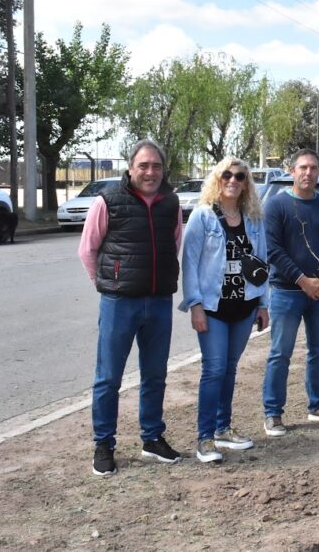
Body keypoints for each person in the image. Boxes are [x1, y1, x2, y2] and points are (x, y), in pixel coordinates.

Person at [78, 139, 183, 476]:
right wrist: (107, 282)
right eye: (144, 165)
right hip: (118, 302)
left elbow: (175, 243)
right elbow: (87, 249)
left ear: (163, 169)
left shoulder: (171, 202)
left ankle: (152, 438)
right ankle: (103, 444)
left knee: (155, 375)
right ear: (131, 167)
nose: (150, 172)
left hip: (158, 302)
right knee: (108, 378)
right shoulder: (108, 200)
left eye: (156, 166)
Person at [180, 157, 269, 463]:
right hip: (213, 307)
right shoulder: (203, 216)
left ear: (247, 182)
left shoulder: (254, 218)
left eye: (240, 176)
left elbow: (263, 263)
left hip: (244, 307)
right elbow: (189, 263)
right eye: (227, 175)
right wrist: (194, 305)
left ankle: (223, 429)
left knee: (229, 369)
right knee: (214, 369)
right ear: (217, 179)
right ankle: (205, 439)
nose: (233, 180)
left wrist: (262, 304)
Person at [262, 149, 319, 436]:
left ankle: (318, 405)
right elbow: (273, 249)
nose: (308, 173)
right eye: (303, 168)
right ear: (291, 171)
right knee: (280, 353)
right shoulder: (276, 205)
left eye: (313, 168)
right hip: (286, 291)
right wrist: (301, 280)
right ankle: (273, 413)